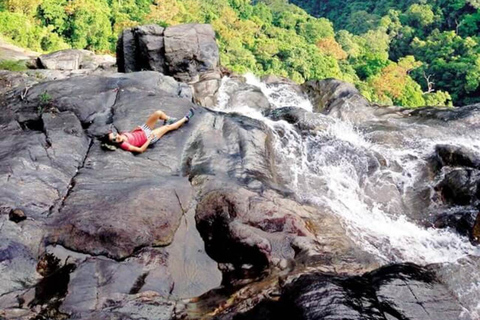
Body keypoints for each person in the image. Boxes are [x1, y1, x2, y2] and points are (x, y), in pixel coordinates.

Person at [102, 108, 194, 153]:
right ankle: (185, 119)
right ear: (114, 143)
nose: (116, 137)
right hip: (148, 137)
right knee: (167, 128)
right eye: (114, 140)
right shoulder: (124, 145)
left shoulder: (121, 135)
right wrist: (149, 140)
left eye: (114, 135)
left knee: (158, 113)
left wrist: (136, 129)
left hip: (143, 130)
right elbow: (140, 150)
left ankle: (168, 119)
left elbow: (131, 135)